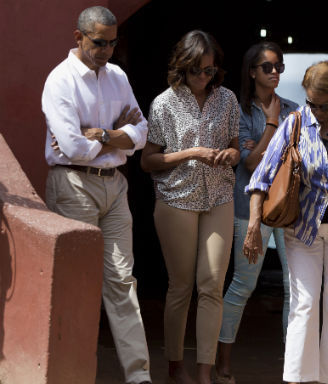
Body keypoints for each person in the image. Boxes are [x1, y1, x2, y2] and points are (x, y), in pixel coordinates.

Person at [244, 61, 328, 384]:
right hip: (302, 231)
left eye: (325, 105)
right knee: (304, 305)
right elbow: (260, 178)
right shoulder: (295, 123)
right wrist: (253, 226)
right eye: (311, 103)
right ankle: (298, 379)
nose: (317, 111)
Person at [42, 6, 151, 384]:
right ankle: (73, 373)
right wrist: (120, 139)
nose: (106, 49)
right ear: (79, 38)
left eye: (112, 42)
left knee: (123, 282)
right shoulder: (60, 81)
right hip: (74, 185)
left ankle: (139, 378)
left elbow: (142, 129)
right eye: (98, 42)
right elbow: (72, 147)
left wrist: (103, 135)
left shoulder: (117, 76)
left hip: (114, 185)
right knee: (79, 282)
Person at [140, 30, 239, 384]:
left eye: (209, 71)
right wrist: (192, 153)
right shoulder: (164, 103)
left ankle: (204, 372)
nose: (203, 77)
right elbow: (148, 161)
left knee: (212, 285)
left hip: (218, 197)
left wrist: (231, 154)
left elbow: (235, 147)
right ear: (183, 67)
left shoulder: (226, 99)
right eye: (197, 70)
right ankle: (175, 365)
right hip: (176, 199)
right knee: (181, 285)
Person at [214, 41, 298, 384]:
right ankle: (223, 363)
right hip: (247, 207)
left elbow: (294, 157)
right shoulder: (241, 110)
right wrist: (273, 126)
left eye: (279, 66)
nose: (275, 72)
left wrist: (263, 146)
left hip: (288, 204)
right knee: (242, 286)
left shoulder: (295, 109)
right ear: (252, 71)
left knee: (295, 288)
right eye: (268, 67)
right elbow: (249, 163)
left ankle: (293, 366)